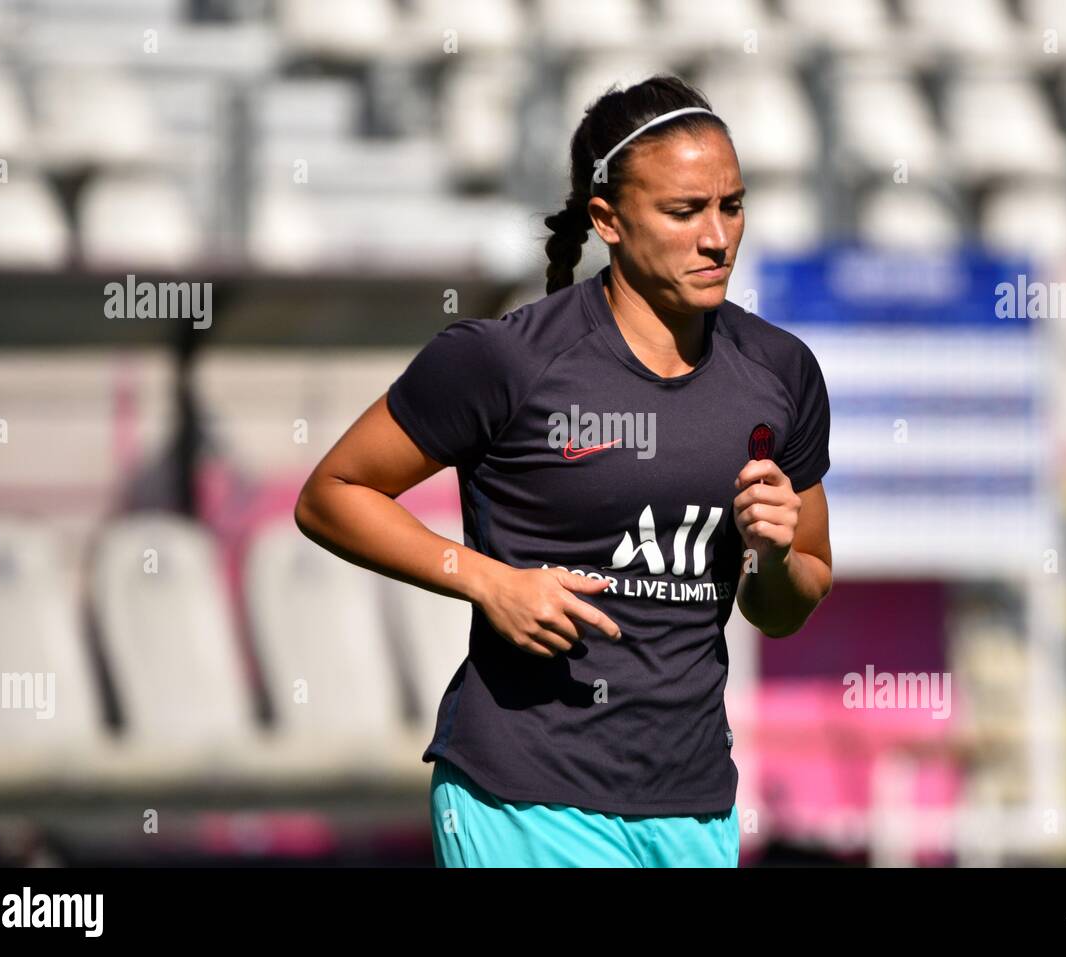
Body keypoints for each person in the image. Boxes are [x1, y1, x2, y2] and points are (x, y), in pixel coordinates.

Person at [294, 73, 834, 867]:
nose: (718, 236)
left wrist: (776, 556)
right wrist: (486, 580)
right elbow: (332, 495)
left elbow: (787, 604)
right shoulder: (506, 360)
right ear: (607, 220)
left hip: (692, 807)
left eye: (733, 204)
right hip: (522, 794)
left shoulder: (781, 373)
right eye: (684, 212)